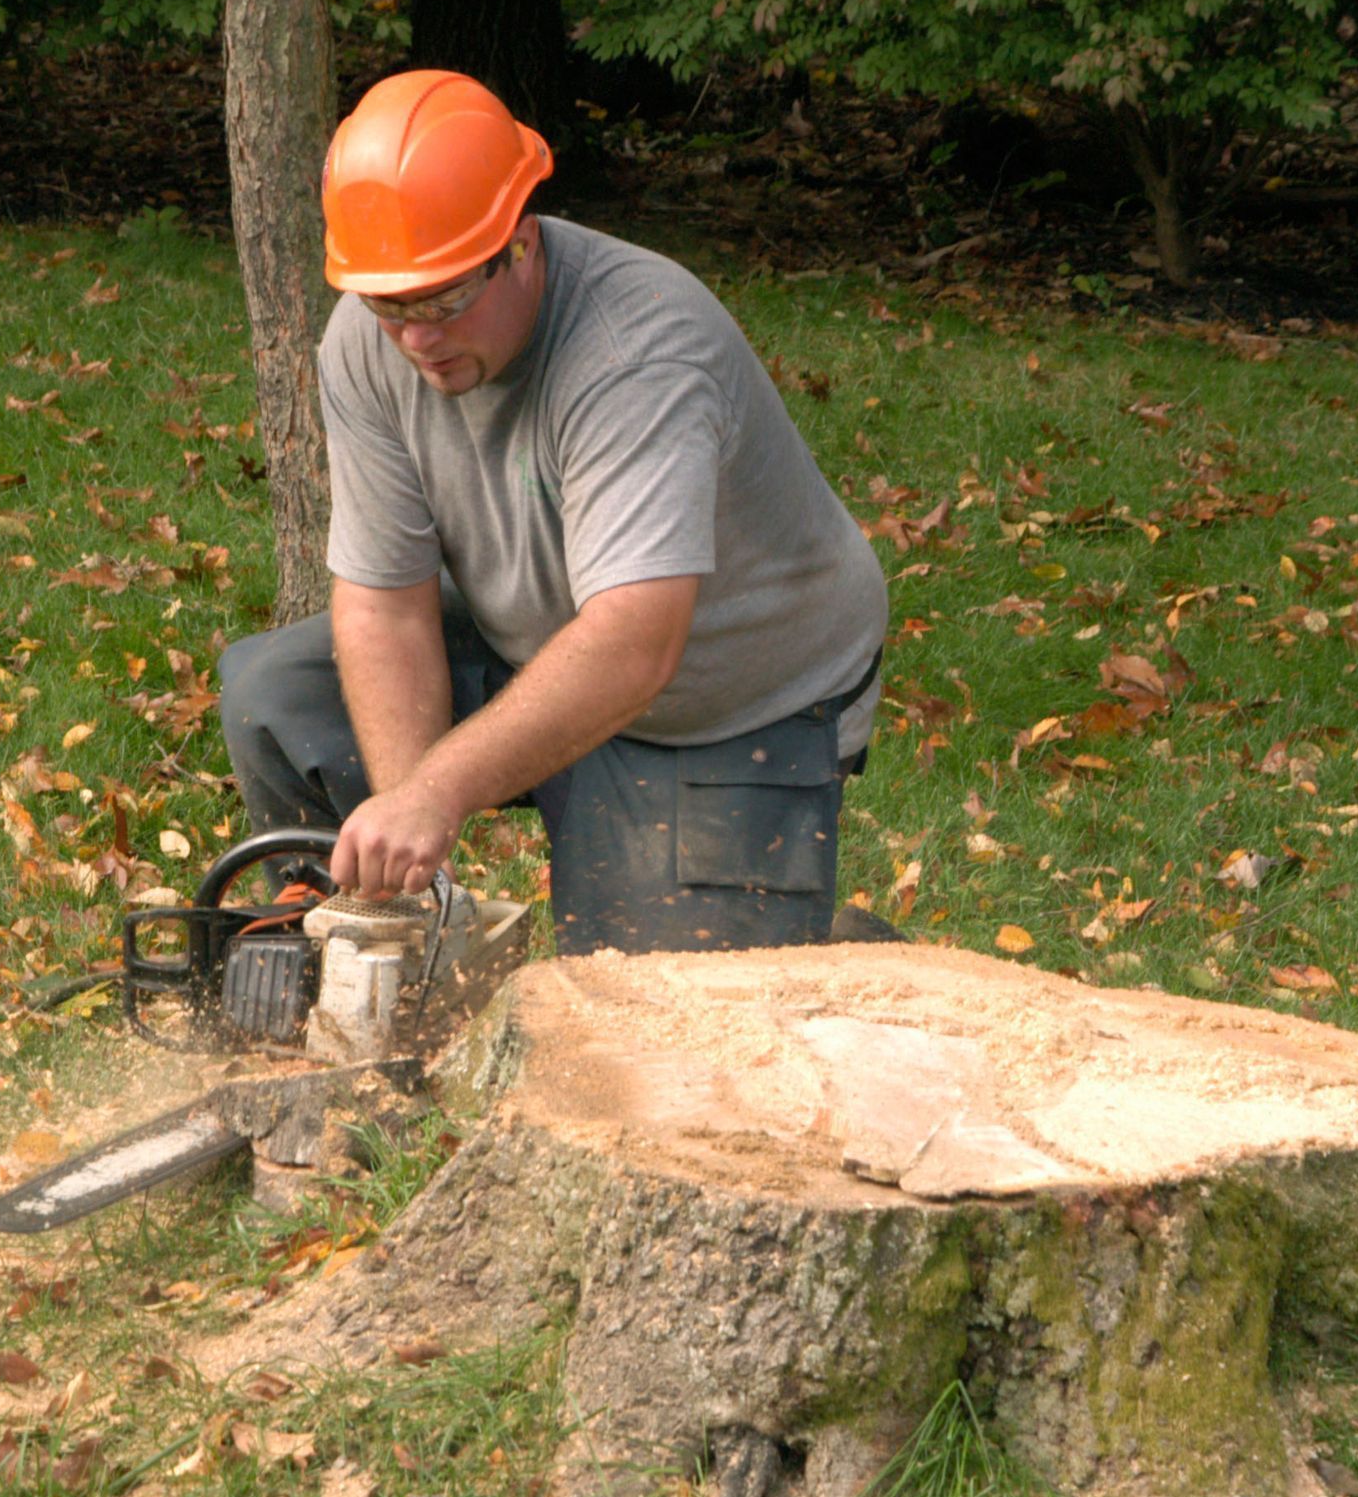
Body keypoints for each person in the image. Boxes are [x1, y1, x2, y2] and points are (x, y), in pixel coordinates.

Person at [218, 69, 888, 955]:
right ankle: (368, 957)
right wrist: (407, 829)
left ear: (521, 243)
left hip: (725, 698)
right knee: (276, 691)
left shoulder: (636, 351)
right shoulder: (365, 341)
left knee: (651, 1038)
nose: (418, 338)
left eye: (447, 299)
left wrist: (438, 791)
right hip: (539, 634)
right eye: (390, 306)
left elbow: (634, 643)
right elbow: (384, 601)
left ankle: (844, 954)